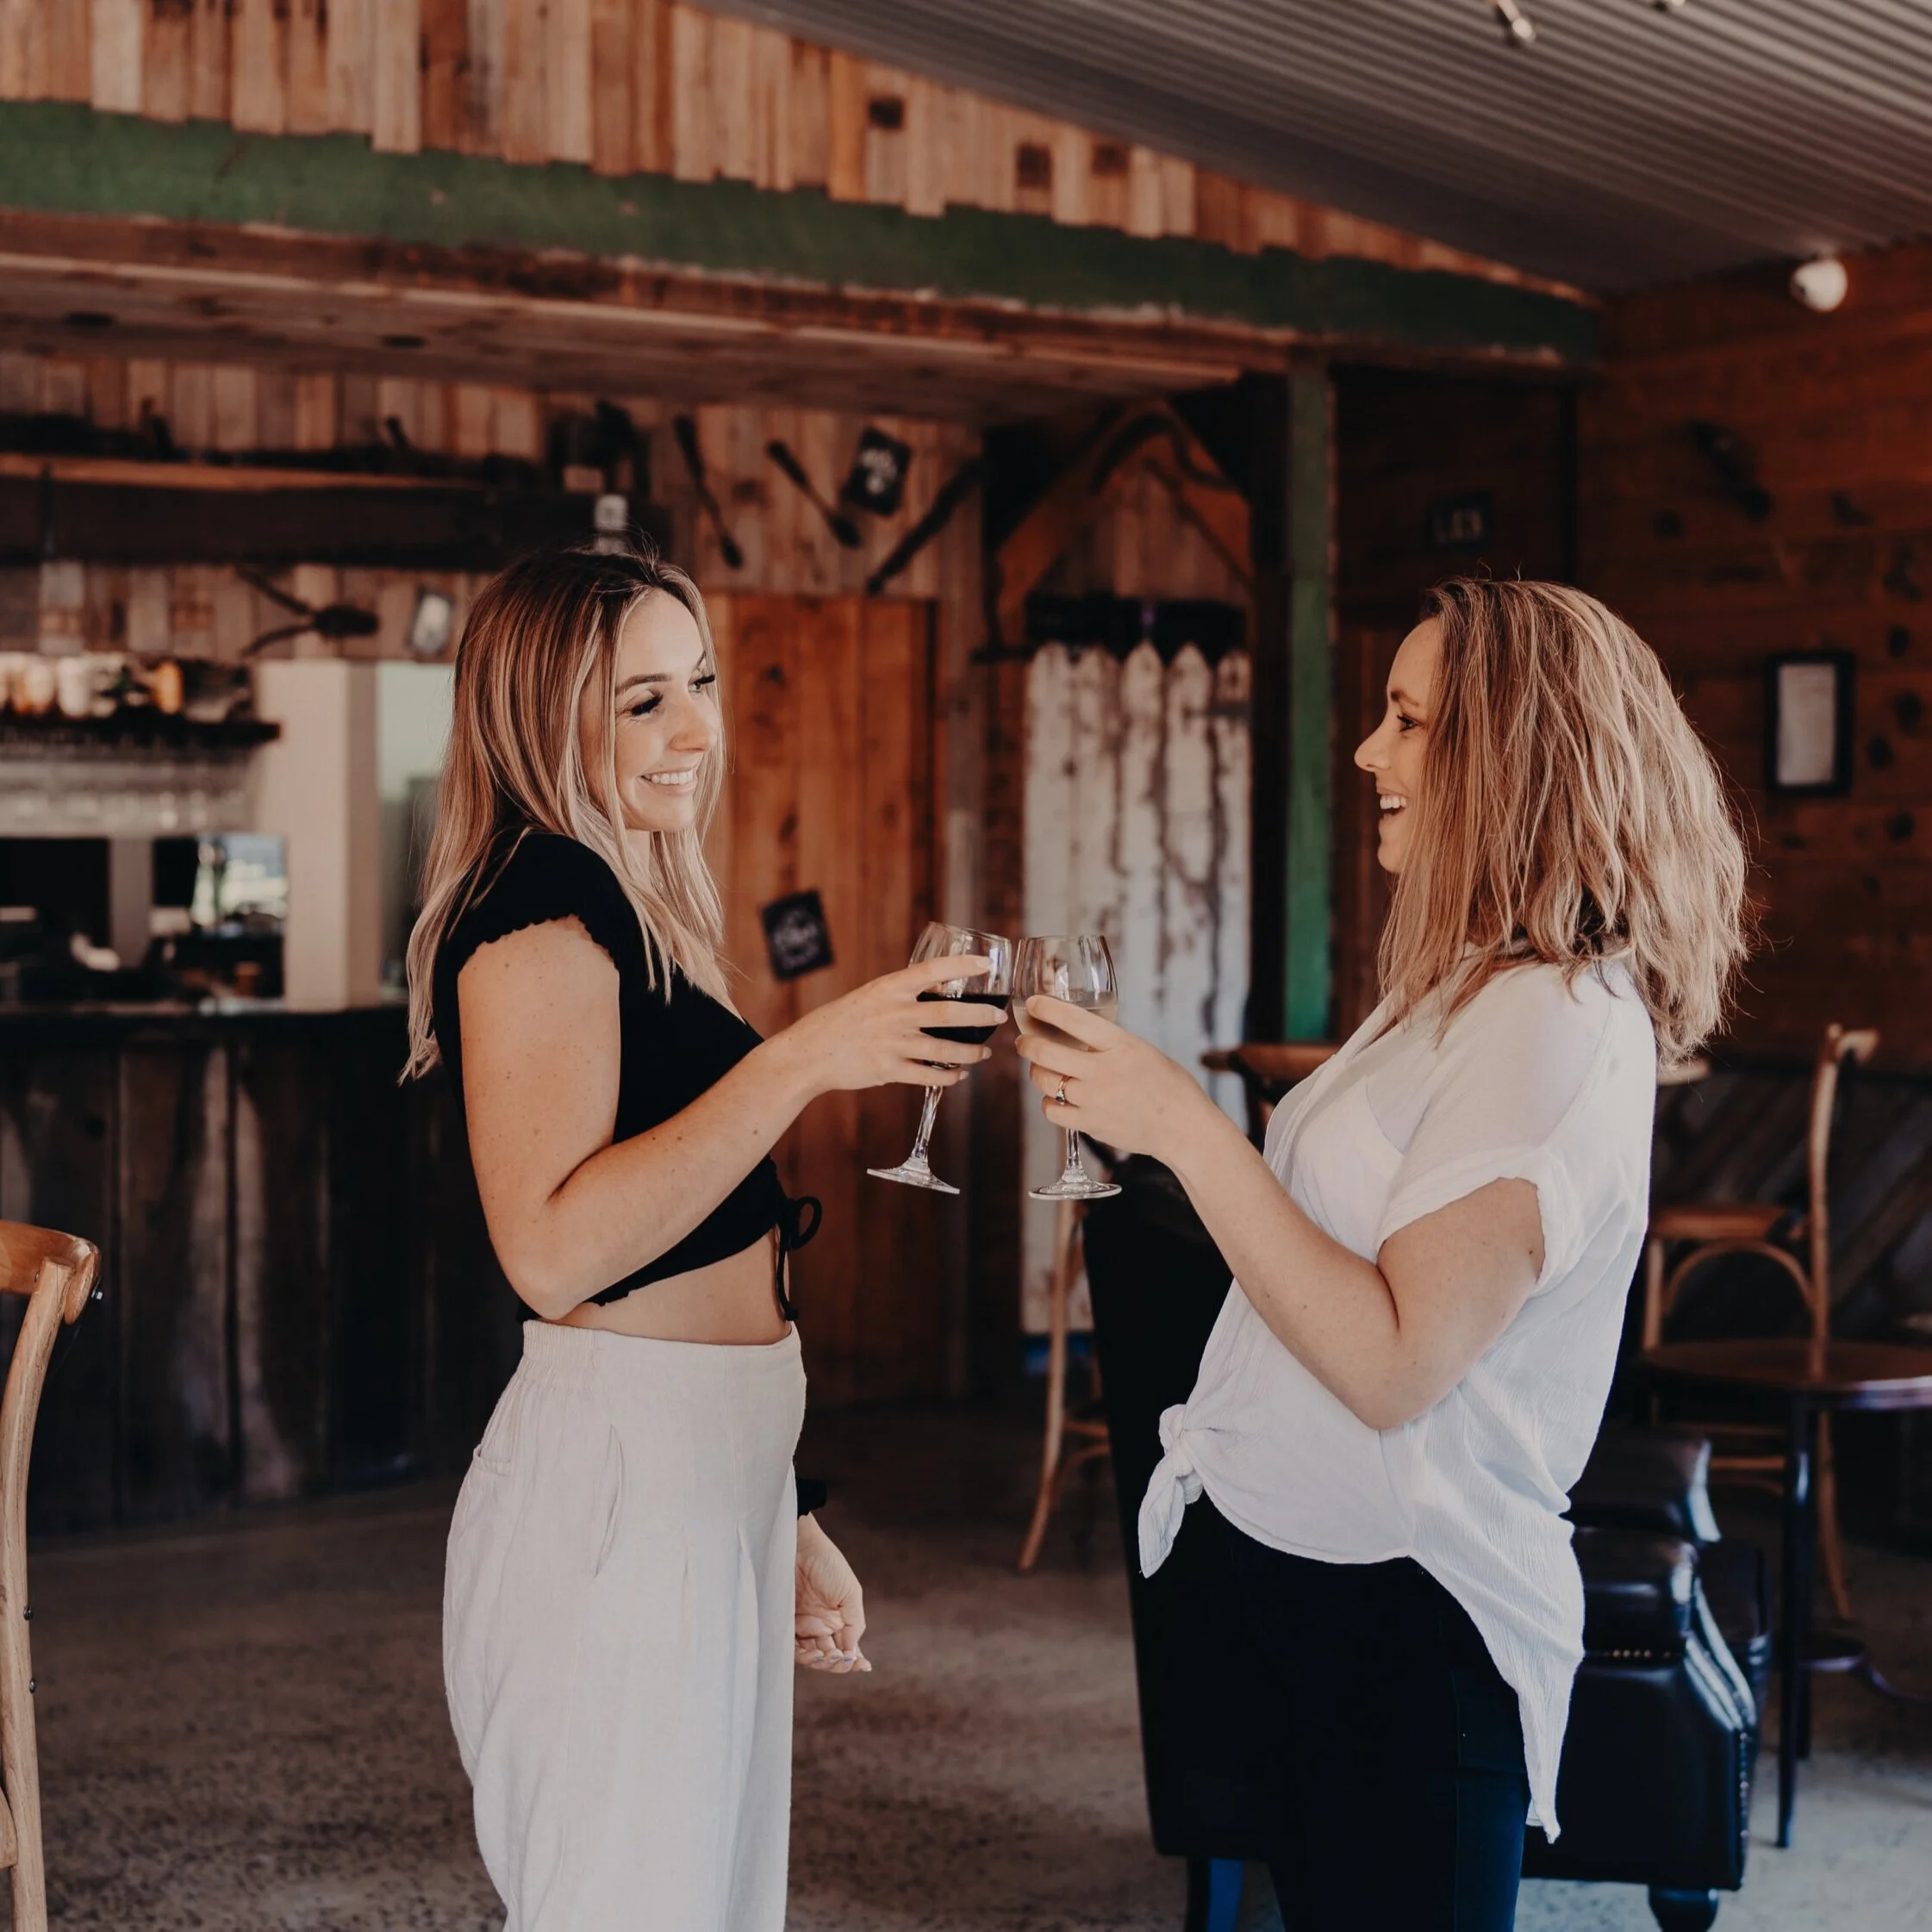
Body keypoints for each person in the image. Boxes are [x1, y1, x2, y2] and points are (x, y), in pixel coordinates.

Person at [1015, 578, 1748, 1929]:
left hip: (1410, 1626)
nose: (1368, 751)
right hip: (1312, 1592)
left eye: (1408, 721)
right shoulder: (1462, 983)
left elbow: (1399, 1360)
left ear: (1511, 759)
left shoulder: (1552, 1027)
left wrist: (1181, 1123)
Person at [402, 545, 1000, 1932]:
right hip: (620, 1494)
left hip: (702, 1476)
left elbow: (696, 1224)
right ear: (541, 719)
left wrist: (778, 1508)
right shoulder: (539, 905)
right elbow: (551, 1253)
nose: (696, 732)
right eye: (640, 701)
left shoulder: (631, 891)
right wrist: (802, 1060)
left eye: (703, 684)